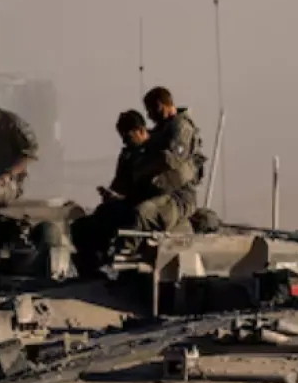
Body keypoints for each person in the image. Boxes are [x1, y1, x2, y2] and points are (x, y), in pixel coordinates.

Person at [70, 110, 154, 275]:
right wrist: (109, 194)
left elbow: (152, 191)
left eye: (128, 137)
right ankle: (91, 270)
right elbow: (119, 184)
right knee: (81, 227)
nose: (125, 141)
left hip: (143, 209)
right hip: (123, 204)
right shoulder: (128, 155)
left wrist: (123, 198)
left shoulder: (154, 154)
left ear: (141, 131)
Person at [140, 85, 204, 229]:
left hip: (179, 195)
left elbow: (172, 159)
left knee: (144, 214)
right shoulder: (160, 130)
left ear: (160, 106)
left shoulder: (181, 127)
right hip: (159, 192)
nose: (149, 116)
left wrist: (146, 165)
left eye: (151, 110)